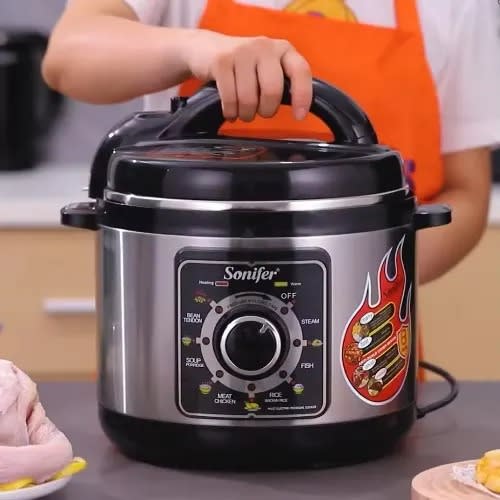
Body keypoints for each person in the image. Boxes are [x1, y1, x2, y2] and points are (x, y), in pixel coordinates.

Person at [42, 0, 500, 375]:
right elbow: (69, 53)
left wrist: (348, 279)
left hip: (364, 343)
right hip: (180, 340)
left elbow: (466, 194)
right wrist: (196, 47)